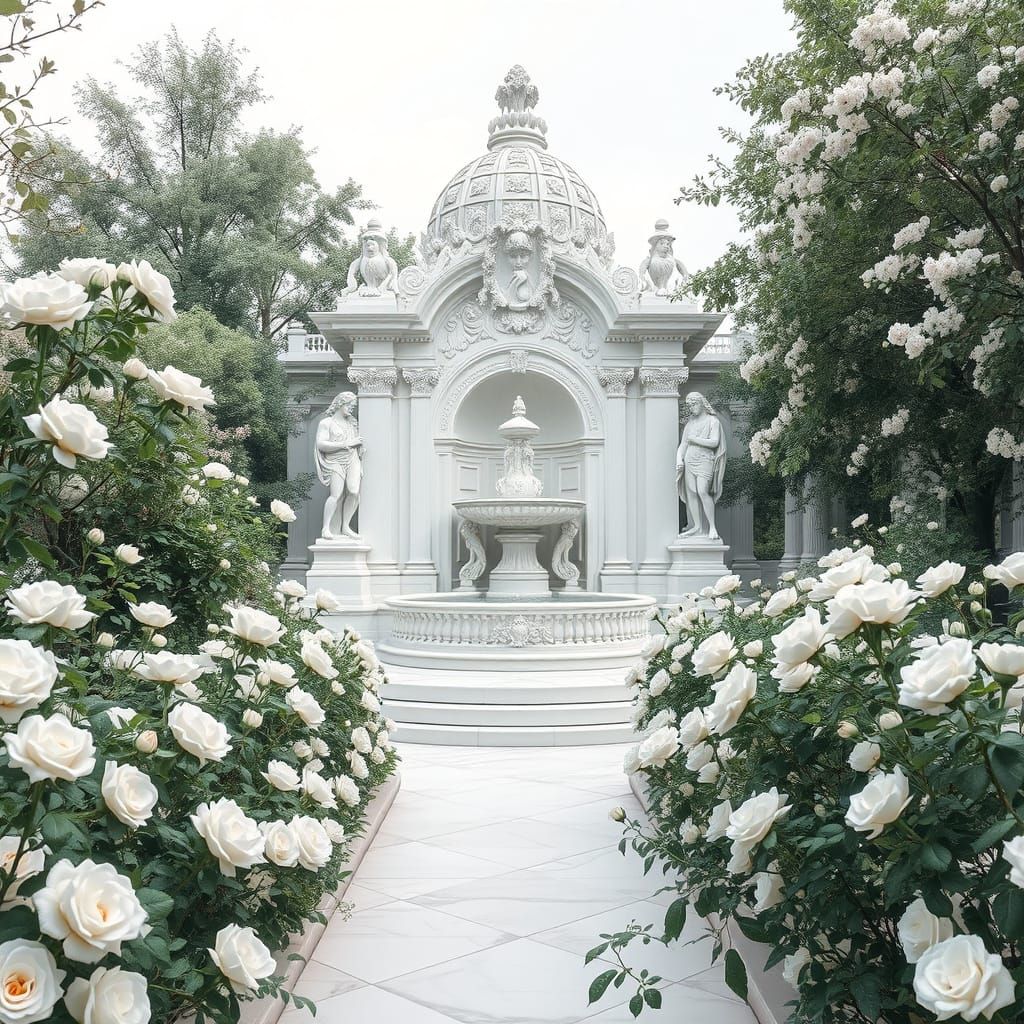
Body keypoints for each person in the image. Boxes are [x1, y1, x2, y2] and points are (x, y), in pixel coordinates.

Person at [676, 391, 727, 541]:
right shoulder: (690, 424)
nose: (691, 407)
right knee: (692, 493)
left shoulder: (713, 421)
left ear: (702, 403)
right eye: (689, 405)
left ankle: (712, 527)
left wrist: (695, 439)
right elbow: (683, 445)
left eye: (694, 404)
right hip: (689, 460)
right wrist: (679, 459)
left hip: (705, 460)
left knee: (703, 491)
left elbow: (714, 442)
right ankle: (697, 527)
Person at [316, 392, 363, 539]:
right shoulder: (326, 423)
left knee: (354, 491)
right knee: (336, 494)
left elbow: (357, 443)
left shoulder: (351, 424)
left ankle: (345, 526)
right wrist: (346, 444)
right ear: (340, 404)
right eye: (349, 405)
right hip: (335, 461)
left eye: (353, 406)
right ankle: (326, 528)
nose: (351, 408)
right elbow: (321, 444)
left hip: (352, 458)